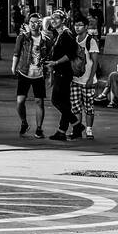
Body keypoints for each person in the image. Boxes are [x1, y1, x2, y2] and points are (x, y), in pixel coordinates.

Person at [11, 10, 47, 138]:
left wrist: (50, 73)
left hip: (39, 74)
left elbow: (49, 56)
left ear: (40, 24)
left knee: (39, 101)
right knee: (20, 101)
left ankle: (39, 128)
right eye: (31, 22)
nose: (33, 25)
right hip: (24, 72)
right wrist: (13, 67)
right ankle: (24, 122)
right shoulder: (23, 37)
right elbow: (16, 52)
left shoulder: (45, 39)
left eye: (36, 22)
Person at [46, 10, 76, 140]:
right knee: (64, 102)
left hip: (64, 72)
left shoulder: (66, 34)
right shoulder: (57, 34)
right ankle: (61, 131)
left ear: (63, 20)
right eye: (52, 18)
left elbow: (71, 55)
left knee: (56, 100)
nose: (53, 20)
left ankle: (76, 123)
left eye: (57, 18)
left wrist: (55, 62)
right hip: (59, 71)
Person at [69, 14, 100, 140]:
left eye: (80, 25)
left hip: (87, 79)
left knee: (88, 106)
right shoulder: (73, 39)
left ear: (86, 27)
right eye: (76, 25)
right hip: (75, 79)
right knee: (76, 106)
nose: (77, 27)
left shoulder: (90, 41)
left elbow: (95, 62)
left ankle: (89, 130)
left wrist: (90, 79)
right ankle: (77, 129)